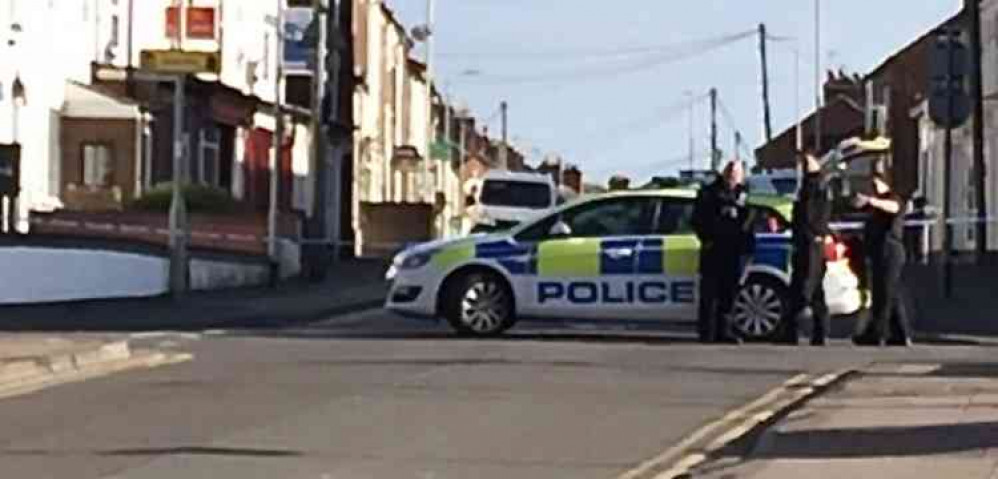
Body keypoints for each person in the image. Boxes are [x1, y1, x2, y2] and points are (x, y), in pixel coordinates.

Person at [692, 161, 755, 344]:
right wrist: (709, 240)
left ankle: (725, 331)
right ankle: (708, 333)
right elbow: (698, 220)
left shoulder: (744, 194)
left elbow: (749, 220)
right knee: (711, 294)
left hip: (735, 251)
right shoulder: (710, 193)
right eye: (731, 174)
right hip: (714, 250)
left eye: (737, 174)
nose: (733, 178)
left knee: (729, 294)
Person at [851, 170, 913, 347]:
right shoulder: (876, 205)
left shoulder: (893, 199)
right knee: (891, 294)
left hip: (890, 251)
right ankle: (900, 333)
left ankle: (877, 333)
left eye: (876, 183)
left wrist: (871, 201)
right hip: (878, 252)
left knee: (882, 295)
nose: (873, 187)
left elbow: (893, 207)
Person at [780, 151, 833, 346]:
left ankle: (792, 330)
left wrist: (811, 233)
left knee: (804, 288)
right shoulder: (808, 186)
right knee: (815, 290)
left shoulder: (816, 186)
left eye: (806, 162)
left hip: (811, 243)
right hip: (806, 242)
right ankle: (818, 333)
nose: (803, 165)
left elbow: (811, 215)